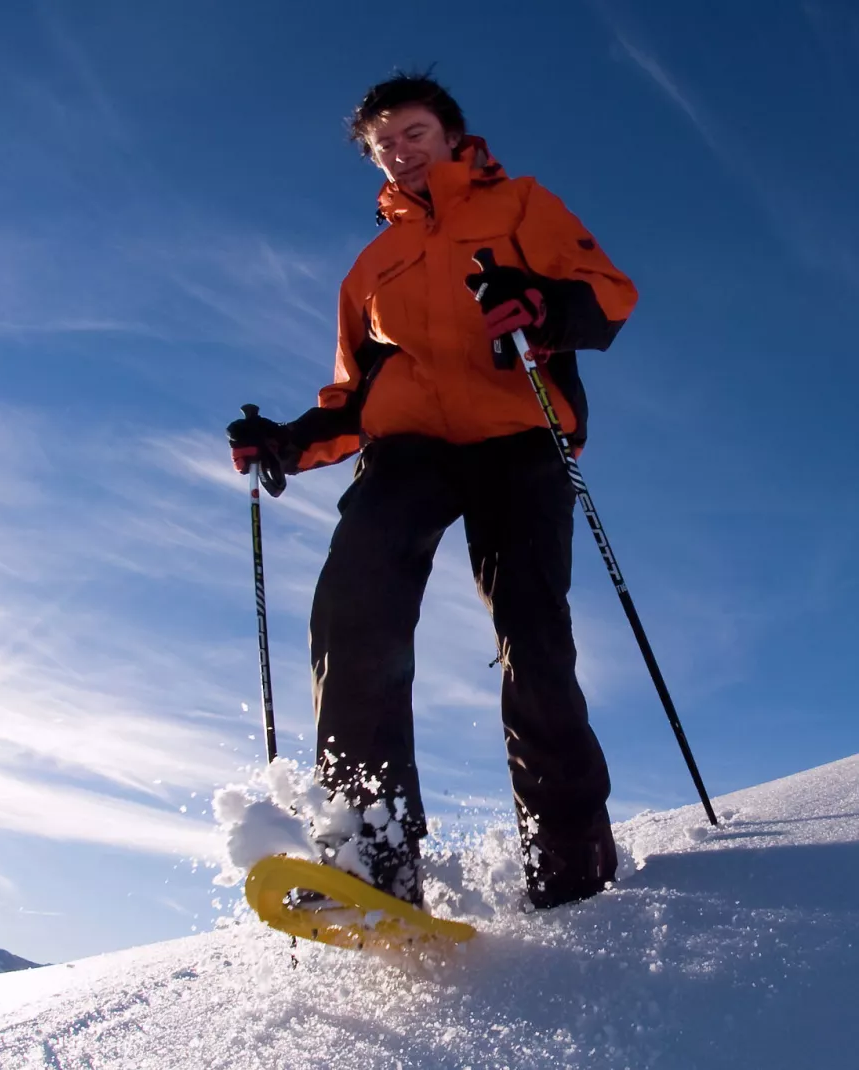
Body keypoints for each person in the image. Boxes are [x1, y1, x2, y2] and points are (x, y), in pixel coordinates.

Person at [228, 71, 636, 910]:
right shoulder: (373, 264)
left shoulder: (521, 205)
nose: (399, 156)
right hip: (411, 451)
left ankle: (570, 865)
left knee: (534, 634)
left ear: (451, 134)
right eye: (381, 148)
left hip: (519, 436)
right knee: (354, 606)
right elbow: (354, 393)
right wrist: (289, 442)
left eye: (411, 134)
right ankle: (371, 853)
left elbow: (607, 295)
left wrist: (542, 305)